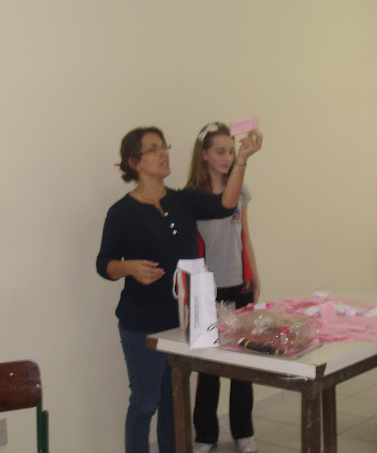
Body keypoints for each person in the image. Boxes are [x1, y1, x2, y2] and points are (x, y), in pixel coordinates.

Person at [97, 125, 263, 453]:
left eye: (164, 146)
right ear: (134, 162)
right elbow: (104, 264)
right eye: (154, 149)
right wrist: (128, 267)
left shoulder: (183, 200)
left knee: (174, 403)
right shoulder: (121, 212)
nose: (164, 153)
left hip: (185, 320)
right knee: (145, 403)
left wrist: (242, 159)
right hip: (142, 324)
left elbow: (227, 203)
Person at [186, 122, 260, 453]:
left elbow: (245, 236)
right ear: (204, 155)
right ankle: (205, 435)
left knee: (242, 365)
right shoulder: (192, 197)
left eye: (231, 151)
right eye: (220, 152)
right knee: (209, 369)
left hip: (239, 287)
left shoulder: (240, 191)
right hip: (208, 292)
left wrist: (254, 275)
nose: (227, 157)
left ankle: (244, 431)